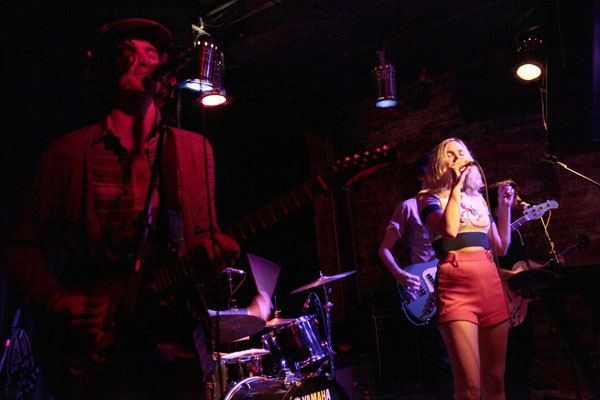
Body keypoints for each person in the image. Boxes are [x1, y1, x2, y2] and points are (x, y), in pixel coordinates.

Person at [2, 18, 265, 399]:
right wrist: (59, 301)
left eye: (152, 53)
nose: (145, 60)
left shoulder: (194, 150)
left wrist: (216, 255)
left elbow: (201, 241)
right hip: (93, 355)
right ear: (107, 69)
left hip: (174, 350)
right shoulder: (67, 155)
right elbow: (20, 248)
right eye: (131, 53)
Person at [417, 138, 514, 400]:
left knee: (496, 383)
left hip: (489, 281)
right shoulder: (427, 197)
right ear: (440, 164)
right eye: (450, 154)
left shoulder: (478, 200)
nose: (458, 157)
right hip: (456, 284)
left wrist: (504, 209)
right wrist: (456, 185)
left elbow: (501, 247)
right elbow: (448, 229)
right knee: (469, 388)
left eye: (462, 152)